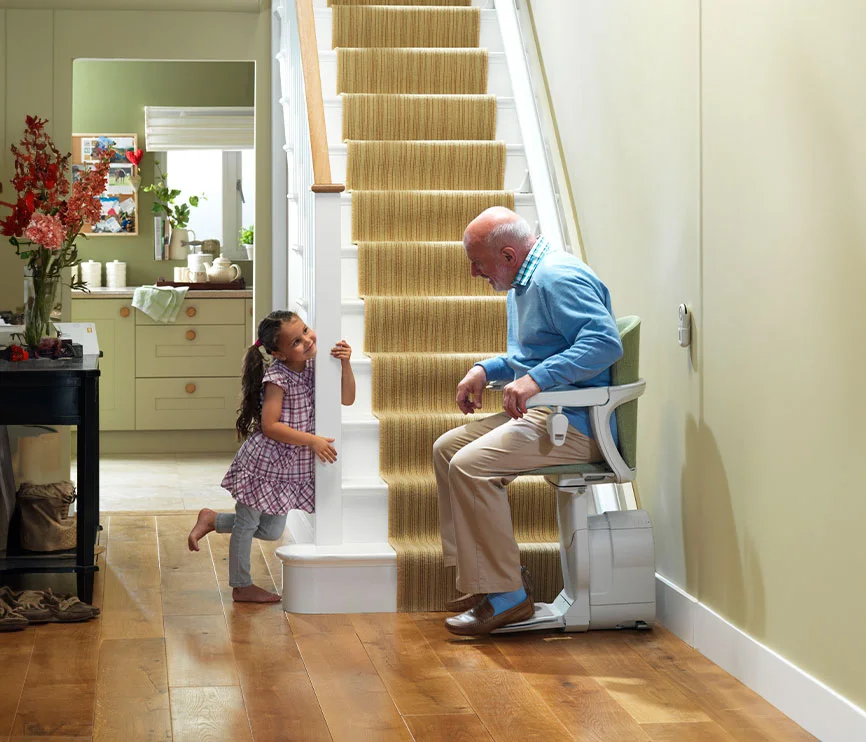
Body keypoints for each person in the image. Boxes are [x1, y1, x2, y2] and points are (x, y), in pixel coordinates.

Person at [434, 207, 623, 635]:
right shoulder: (523, 283)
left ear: (506, 254)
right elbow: (530, 358)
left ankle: (508, 596)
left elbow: (603, 343)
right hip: (548, 413)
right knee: (446, 449)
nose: (472, 272)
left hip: (578, 422)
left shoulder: (557, 278)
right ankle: (484, 579)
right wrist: (486, 369)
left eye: (477, 262)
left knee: (470, 465)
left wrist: (537, 379)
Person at [187, 310, 356, 603]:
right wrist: (313, 441)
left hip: (288, 469)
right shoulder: (277, 377)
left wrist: (346, 364)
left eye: (305, 331)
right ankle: (241, 585)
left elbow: (347, 398)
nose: (307, 340)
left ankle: (213, 520)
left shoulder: (316, 367)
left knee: (271, 529)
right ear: (278, 353)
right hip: (264, 465)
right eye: (296, 342)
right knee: (248, 524)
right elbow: (270, 426)